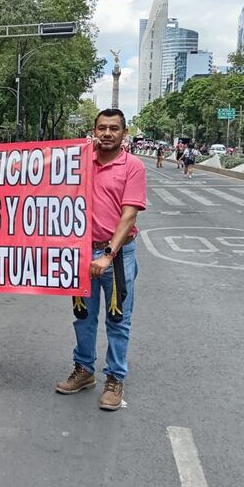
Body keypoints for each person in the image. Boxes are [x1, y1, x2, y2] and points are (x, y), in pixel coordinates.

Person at [56, 108, 146, 411]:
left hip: (118, 256)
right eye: (102, 128)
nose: (107, 133)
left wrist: (108, 254)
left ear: (124, 133)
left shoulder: (132, 166)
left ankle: (115, 378)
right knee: (83, 317)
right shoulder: (78, 163)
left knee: (118, 320)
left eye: (114, 128)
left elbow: (129, 212)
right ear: (94, 131)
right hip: (79, 252)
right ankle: (84, 370)